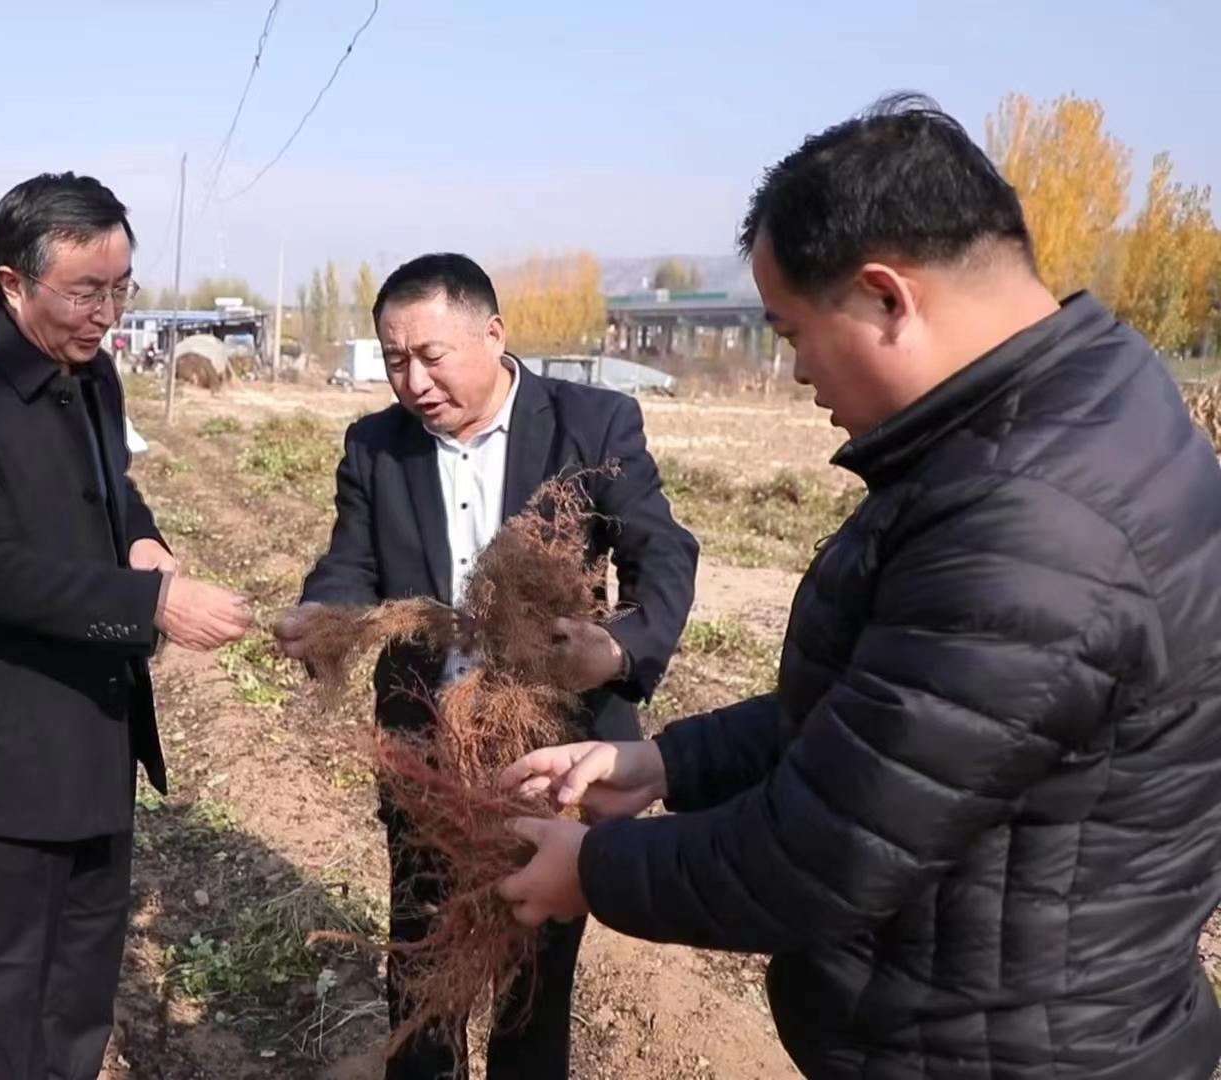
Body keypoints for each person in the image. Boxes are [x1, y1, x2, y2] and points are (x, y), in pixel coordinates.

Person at [499, 94, 1221, 1079]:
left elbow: (826, 850)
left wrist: (592, 870)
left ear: (889, 296)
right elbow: (902, 714)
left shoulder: (1033, 522)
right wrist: (670, 764)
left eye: (793, 332)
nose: (796, 372)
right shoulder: (1070, 416)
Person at [275, 253, 700, 1078]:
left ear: (493, 334)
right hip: (426, 749)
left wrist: (616, 649)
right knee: (422, 952)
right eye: (394, 360)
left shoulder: (594, 423)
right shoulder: (374, 447)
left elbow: (664, 552)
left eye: (430, 356)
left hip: (550, 753)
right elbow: (349, 565)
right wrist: (322, 616)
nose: (412, 380)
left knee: (533, 976)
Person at [0, 171, 253, 1079]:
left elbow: (113, 487)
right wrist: (155, 606)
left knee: (85, 970)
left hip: (96, 722)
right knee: (6, 984)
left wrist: (146, 544)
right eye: (86, 291)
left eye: (121, 287)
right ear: (14, 282)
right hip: (8, 739)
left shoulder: (90, 373)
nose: (108, 313)